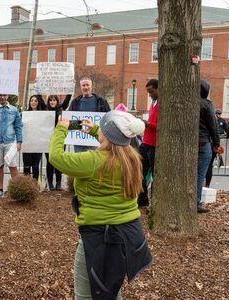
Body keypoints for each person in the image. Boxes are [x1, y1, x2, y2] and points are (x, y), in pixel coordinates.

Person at [49, 111, 151, 299]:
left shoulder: (93, 161)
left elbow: (56, 158)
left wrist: (61, 130)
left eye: (102, 128)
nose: (99, 130)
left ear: (108, 135)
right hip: (127, 235)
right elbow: (113, 145)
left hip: (100, 238)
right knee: (111, 289)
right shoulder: (132, 158)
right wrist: (96, 129)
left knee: (86, 295)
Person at [0, 88, 22, 199]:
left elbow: (18, 126)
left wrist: (19, 141)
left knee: (13, 166)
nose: (2, 97)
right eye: (0, 94)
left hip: (10, 142)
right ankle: (0, 190)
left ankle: (16, 190)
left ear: (8, 96)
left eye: (4, 94)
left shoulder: (14, 110)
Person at [68, 76, 111, 153]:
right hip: (79, 140)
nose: (86, 87)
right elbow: (70, 120)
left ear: (91, 86)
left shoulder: (101, 101)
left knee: (95, 161)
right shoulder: (75, 102)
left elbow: (108, 117)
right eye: (83, 85)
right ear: (81, 87)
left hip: (96, 138)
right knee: (79, 161)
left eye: (87, 85)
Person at [197, 80, 221, 213]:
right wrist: (217, 144)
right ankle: (196, 203)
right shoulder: (206, 104)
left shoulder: (188, 103)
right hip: (203, 142)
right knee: (200, 174)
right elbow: (213, 125)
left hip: (191, 143)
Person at [137, 79, 159, 208]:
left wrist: (148, 124)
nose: (149, 95)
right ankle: (142, 199)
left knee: (155, 174)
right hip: (145, 142)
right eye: (148, 92)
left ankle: (155, 204)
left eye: (151, 92)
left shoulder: (163, 103)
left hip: (154, 144)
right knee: (139, 171)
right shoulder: (153, 102)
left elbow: (162, 125)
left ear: (158, 89)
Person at [45, 94, 71, 190]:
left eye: (54, 100)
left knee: (59, 161)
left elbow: (67, 100)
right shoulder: (45, 110)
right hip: (47, 140)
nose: (52, 102)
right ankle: (50, 183)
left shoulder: (61, 109)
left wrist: (69, 90)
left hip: (60, 140)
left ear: (57, 102)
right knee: (49, 162)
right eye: (50, 100)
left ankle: (58, 183)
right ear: (48, 102)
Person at [22, 95, 45, 181]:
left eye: (36, 100)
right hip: (27, 143)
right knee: (26, 166)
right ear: (29, 102)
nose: (33, 102)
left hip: (38, 143)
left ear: (38, 102)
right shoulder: (24, 114)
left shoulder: (42, 114)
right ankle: (27, 186)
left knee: (35, 166)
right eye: (32, 100)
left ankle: (35, 186)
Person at [205, 108, 227, 188]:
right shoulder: (213, 121)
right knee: (208, 165)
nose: (218, 115)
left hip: (206, 143)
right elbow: (215, 133)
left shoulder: (220, 121)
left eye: (219, 113)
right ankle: (206, 185)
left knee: (206, 165)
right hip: (210, 143)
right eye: (217, 113)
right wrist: (217, 145)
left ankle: (206, 184)